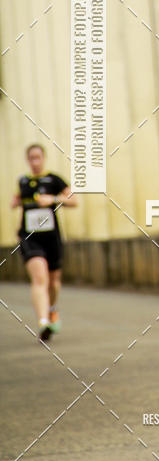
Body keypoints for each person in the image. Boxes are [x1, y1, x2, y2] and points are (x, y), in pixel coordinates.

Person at [10, 144, 77, 341]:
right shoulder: (22, 181)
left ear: (44, 158)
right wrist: (15, 203)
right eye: (31, 158)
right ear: (27, 160)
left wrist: (54, 199)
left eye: (38, 157)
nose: (35, 161)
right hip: (30, 237)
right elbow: (14, 202)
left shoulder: (54, 180)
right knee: (40, 278)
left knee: (54, 281)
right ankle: (43, 323)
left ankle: (51, 310)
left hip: (51, 238)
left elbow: (74, 200)